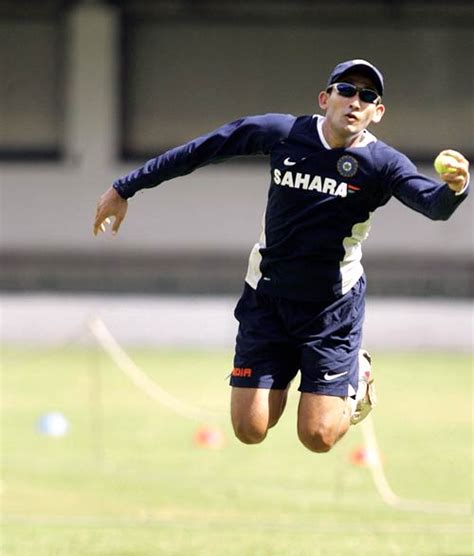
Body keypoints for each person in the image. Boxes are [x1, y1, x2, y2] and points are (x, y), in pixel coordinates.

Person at [93, 59, 470, 453]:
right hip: (267, 296)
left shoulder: (382, 163)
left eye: (367, 96)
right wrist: (125, 188)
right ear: (325, 99)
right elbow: (203, 150)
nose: (355, 101)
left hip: (331, 307)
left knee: (317, 437)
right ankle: (295, 375)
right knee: (250, 428)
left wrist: (456, 188)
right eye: (346, 90)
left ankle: (357, 377)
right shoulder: (284, 132)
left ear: (378, 113)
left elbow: (433, 205)